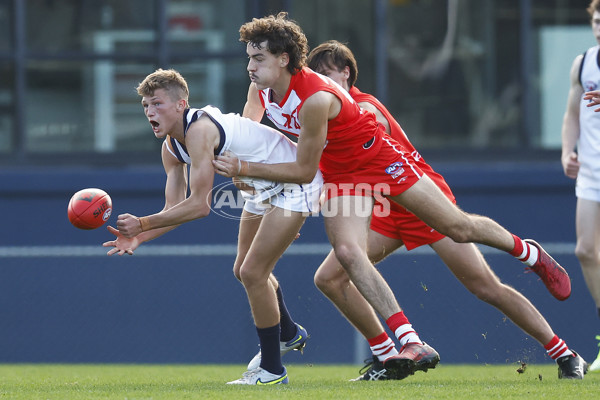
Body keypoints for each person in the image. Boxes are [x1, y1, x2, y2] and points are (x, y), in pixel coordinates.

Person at [213, 12, 585, 379]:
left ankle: (528, 255)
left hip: (383, 169)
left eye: (257, 57)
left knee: (463, 236)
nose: (250, 65)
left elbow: (303, 170)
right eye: (249, 57)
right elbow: (255, 136)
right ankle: (401, 347)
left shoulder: (324, 100)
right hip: (350, 182)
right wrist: (262, 185)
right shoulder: (262, 87)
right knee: (341, 260)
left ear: (285, 60)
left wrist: (245, 172)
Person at [307, 40, 588, 380]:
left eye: (327, 74)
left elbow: (362, 164)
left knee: (485, 287)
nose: (322, 82)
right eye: (316, 76)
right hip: (388, 209)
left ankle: (564, 351)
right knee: (329, 277)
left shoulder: (364, 108)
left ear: (347, 73)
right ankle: (387, 356)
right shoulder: (324, 117)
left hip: (421, 200)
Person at [102, 68, 323, 385]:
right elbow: (174, 209)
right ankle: (288, 333)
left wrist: (141, 224)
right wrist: (140, 238)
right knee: (243, 271)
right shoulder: (171, 148)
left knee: (253, 273)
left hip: (292, 179)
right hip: (262, 187)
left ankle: (272, 371)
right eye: (146, 106)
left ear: (181, 104)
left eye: (158, 103)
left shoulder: (199, 131)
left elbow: (199, 206)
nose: (150, 111)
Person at [561, 0, 600, 373]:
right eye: (597, 20)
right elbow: (573, 113)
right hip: (592, 172)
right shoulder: (584, 62)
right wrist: (567, 151)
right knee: (586, 250)